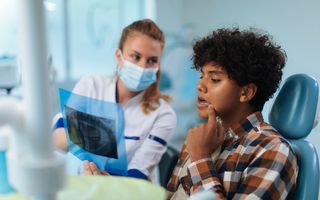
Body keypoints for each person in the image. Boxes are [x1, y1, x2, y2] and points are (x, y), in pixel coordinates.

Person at [167, 28, 298, 199]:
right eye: (202, 76)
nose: (200, 86)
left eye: (215, 79)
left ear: (246, 93)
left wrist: (200, 158)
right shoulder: (199, 137)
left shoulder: (272, 150)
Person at [53, 19, 177, 183]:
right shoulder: (91, 87)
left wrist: (110, 182)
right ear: (119, 56)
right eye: (135, 56)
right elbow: (58, 139)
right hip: (84, 183)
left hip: (130, 192)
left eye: (152, 60)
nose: (142, 67)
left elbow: (138, 172)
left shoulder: (163, 114)